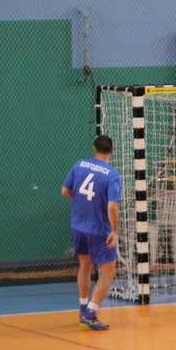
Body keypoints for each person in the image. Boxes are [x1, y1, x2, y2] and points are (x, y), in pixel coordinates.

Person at [61, 135, 122, 331]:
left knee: (85, 265)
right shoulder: (112, 175)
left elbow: (65, 191)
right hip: (99, 229)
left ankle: (82, 308)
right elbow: (112, 206)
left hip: (78, 225)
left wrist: (82, 202)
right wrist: (114, 230)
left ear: (94, 148)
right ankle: (90, 313)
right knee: (108, 271)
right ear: (112, 151)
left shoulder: (80, 165)